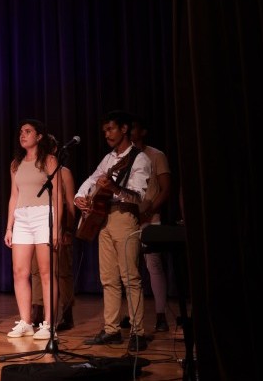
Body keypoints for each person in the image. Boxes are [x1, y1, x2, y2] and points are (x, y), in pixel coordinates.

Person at [77, 110, 152, 352]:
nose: (107, 134)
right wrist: (81, 196)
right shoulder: (109, 158)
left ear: (124, 129)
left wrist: (114, 187)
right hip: (104, 219)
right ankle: (111, 330)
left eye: (110, 129)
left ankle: (138, 332)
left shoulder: (139, 159)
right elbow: (92, 179)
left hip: (124, 217)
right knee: (108, 278)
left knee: (130, 277)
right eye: (105, 130)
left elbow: (138, 196)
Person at [3, 120, 60, 340]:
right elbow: (14, 196)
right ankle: (25, 322)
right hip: (22, 218)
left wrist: (56, 228)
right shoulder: (16, 164)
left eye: (28, 132)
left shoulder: (49, 160)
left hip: (44, 215)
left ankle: (49, 324)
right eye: (21, 132)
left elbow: (57, 196)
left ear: (39, 136)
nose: (23, 135)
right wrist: (9, 227)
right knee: (20, 272)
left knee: (46, 272)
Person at [118, 116, 173, 332]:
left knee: (154, 266)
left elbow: (166, 188)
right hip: (128, 220)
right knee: (128, 269)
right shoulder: (125, 158)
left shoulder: (156, 155)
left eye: (134, 128)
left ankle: (161, 315)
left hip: (151, 220)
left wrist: (149, 210)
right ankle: (130, 315)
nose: (130, 132)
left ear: (143, 131)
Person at [28, 136, 78, 331]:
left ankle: (66, 313)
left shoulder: (63, 172)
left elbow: (70, 203)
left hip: (58, 226)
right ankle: (37, 310)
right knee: (36, 271)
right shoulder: (34, 170)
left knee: (62, 272)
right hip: (37, 226)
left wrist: (67, 229)